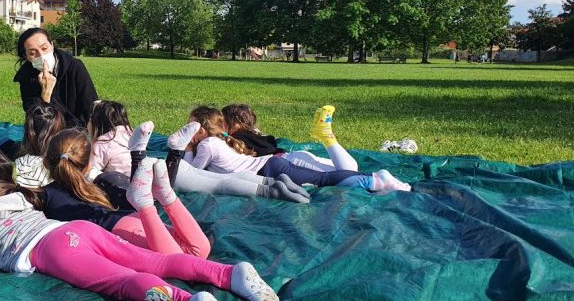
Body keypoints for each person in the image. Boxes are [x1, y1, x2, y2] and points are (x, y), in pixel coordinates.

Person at [0, 142, 279, 301]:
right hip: (75, 231)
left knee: (123, 281)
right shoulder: (19, 197)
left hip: (51, 249)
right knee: (153, 260)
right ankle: (228, 273)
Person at [86, 99, 310, 203]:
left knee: (218, 183)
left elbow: (92, 174)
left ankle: (271, 190)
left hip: (152, 181)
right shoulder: (130, 131)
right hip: (162, 166)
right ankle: (271, 183)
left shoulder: (101, 144)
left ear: (96, 123)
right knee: (217, 179)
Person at [42, 128, 211, 258]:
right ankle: (165, 195)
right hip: (133, 219)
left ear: (45, 161)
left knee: (179, 263)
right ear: (87, 164)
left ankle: (148, 202)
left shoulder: (46, 195)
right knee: (200, 249)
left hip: (117, 231)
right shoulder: (96, 184)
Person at [181, 106, 410, 193]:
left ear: (202, 130)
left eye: (190, 126)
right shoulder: (219, 141)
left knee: (324, 180)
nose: (187, 130)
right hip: (273, 165)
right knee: (326, 176)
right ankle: (375, 180)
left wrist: (187, 147)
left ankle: (375, 181)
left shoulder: (208, 145)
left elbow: (190, 174)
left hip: (270, 168)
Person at [223, 104, 360, 173]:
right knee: (351, 169)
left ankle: (325, 134)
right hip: (295, 157)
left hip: (288, 163)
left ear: (233, 122)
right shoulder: (255, 134)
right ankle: (325, 135)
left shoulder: (237, 138)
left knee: (348, 172)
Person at [13, 28, 98, 128]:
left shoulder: (74, 66)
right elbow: (35, 121)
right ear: (26, 56)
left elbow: (90, 106)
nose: (41, 55)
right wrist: (46, 93)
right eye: (32, 53)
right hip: (47, 132)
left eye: (44, 48)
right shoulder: (26, 76)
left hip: (78, 132)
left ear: (52, 46)